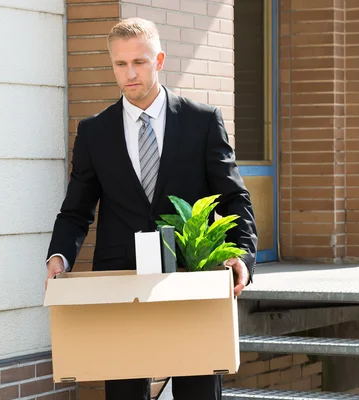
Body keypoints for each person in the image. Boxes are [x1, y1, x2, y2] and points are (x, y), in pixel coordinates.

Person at [45, 17, 258, 400]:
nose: (129, 73)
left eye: (139, 62)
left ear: (159, 60)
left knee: (197, 390)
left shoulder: (202, 122)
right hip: (121, 283)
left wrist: (241, 254)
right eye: (120, 64)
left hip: (191, 280)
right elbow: (76, 210)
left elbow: (234, 198)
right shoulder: (94, 131)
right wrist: (59, 257)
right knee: (125, 392)